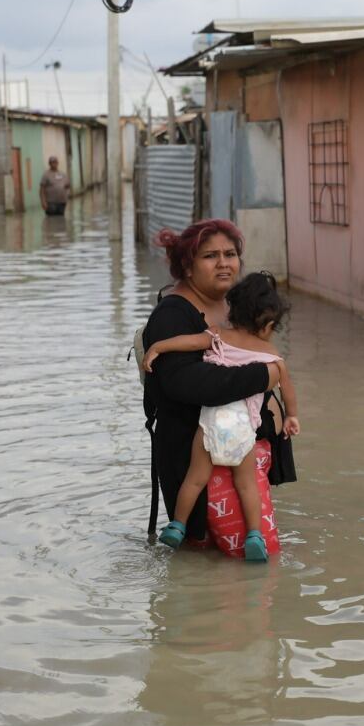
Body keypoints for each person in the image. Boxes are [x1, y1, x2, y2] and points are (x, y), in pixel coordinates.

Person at [141, 220, 292, 548]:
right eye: (210, 256)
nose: (224, 263)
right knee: (219, 560)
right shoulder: (172, 315)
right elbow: (186, 383)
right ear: (187, 266)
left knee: (241, 560)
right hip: (199, 458)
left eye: (230, 254)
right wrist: (263, 376)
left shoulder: (235, 309)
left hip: (240, 457)